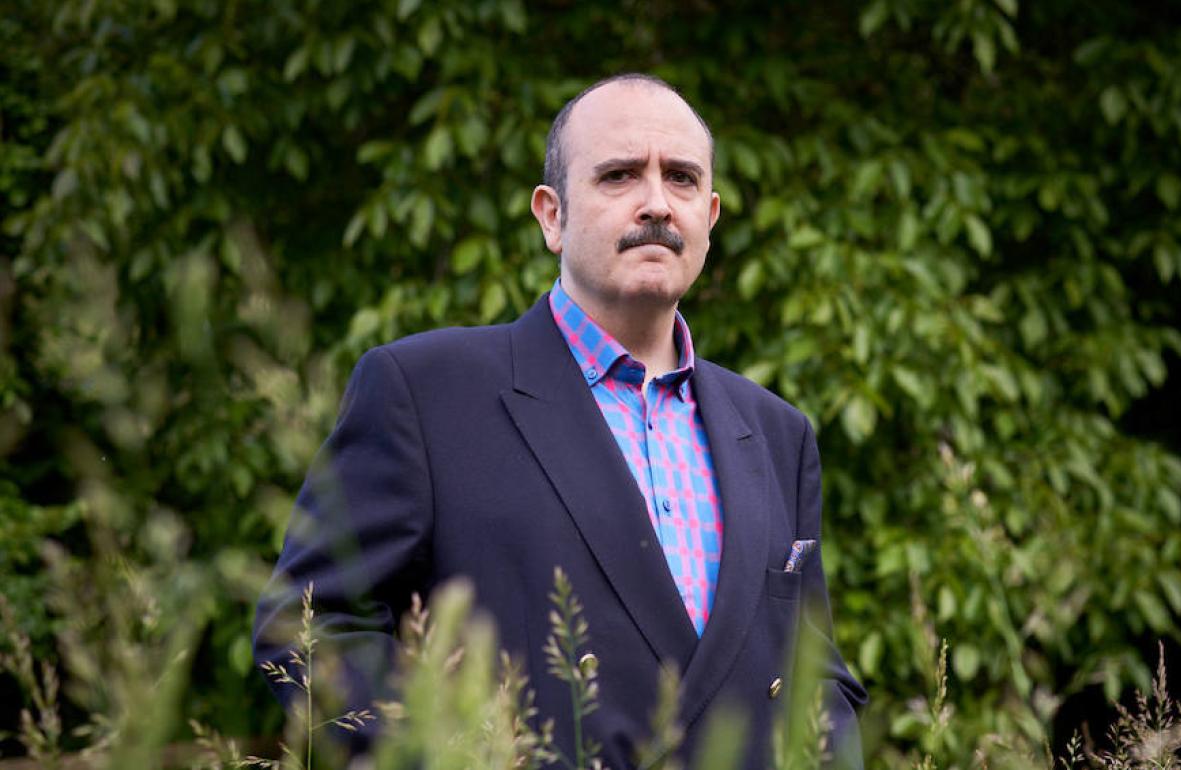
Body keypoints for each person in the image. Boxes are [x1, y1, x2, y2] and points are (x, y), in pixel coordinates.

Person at [253, 73, 866, 769]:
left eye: (683, 178)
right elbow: (308, 626)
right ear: (552, 216)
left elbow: (816, 673)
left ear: (711, 215)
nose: (657, 203)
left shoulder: (779, 434)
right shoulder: (424, 393)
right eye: (619, 175)